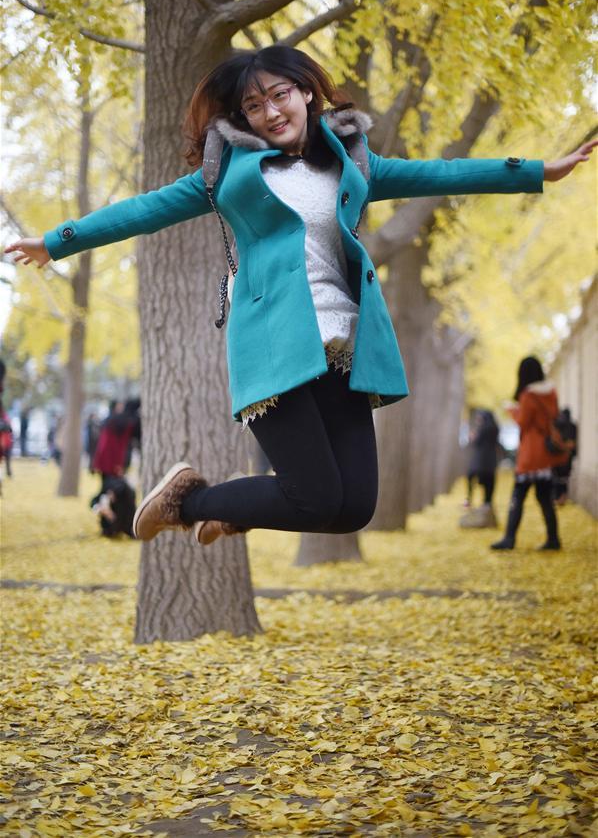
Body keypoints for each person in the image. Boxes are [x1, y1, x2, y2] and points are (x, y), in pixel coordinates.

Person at [5, 46, 597, 546]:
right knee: (315, 498)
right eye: (254, 106)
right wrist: (56, 243)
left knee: (353, 507)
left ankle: (235, 506)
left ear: (307, 93)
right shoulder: (228, 173)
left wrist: (535, 171)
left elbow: (440, 174)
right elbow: (145, 210)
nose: (270, 112)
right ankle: (192, 500)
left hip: (343, 346)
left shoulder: (354, 163)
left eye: (280, 95)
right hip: (275, 343)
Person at [491, 356, 568, 551]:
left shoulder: (528, 395)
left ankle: (509, 538)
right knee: (544, 498)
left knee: (518, 496)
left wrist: (513, 411)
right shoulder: (551, 393)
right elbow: (553, 416)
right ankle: (554, 539)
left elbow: (523, 423)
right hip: (545, 454)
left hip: (530, 455)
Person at [460, 409, 499, 528]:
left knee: (471, 479)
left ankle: (469, 500)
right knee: (489, 486)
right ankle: (487, 505)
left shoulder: (482, 429)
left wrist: (473, 436)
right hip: (491, 462)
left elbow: (475, 442)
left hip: (480, 461)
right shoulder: (495, 428)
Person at [90, 474, 137, 539]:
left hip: (125, 524)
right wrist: (100, 509)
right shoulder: (107, 487)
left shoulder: (127, 497)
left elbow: (130, 517)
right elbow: (93, 501)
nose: (110, 495)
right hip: (109, 527)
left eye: (112, 494)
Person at [551, 408, 578, 505]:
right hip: (564, 455)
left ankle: (559, 497)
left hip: (562, 455)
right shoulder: (571, 426)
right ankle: (561, 497)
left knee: (559, 478)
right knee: (562, 479)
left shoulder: (559, 425)